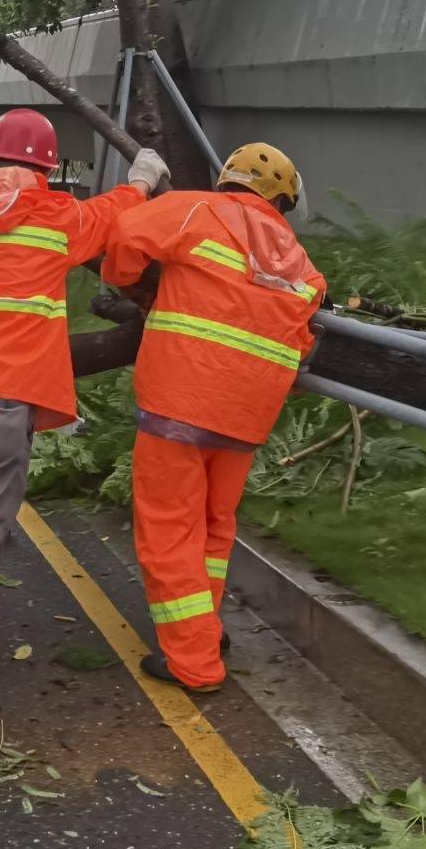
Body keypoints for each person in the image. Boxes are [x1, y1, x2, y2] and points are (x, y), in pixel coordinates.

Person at [0, 109, 168, 737]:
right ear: (47, 171)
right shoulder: (58, 219)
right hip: (0, 398)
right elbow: (113, 213)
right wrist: (144, 179)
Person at [101, 143, 325, 692]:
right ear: (281, 200)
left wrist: (133, 282)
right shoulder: (297, 257)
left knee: (169, 532)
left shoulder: (199, 210)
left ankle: (195, 663)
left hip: (182, 398)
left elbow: (126, 235)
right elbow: (306, 323)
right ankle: (207, 626)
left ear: (230, 178)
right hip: (247, 415)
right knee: (213, 527)